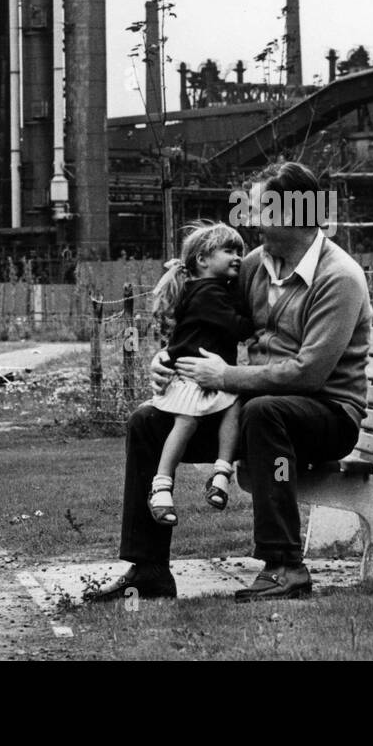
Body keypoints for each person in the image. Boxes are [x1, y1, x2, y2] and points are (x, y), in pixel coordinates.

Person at [84, 161, 371, 604]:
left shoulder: (339, 277)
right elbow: (203, 319)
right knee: (147, 421)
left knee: (264, 410)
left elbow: (310, 373)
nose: (249, 217)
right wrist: (168, 358)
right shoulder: (255, 266)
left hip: (327, 413)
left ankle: (285, 566)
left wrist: (227, 376)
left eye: (257, 208)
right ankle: (149, 569)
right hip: (254, 410)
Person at [145, 221, 258, 526]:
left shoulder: (206, 288)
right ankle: (164, 484)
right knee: (187, 420)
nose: (237, 256)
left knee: (229, 406)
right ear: (203, 260)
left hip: (206, 372)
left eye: (240, 251)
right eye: (229, 250)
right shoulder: (208, 293)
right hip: (193, 373)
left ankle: (218, 473)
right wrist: (258, 318)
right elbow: (238, 327)